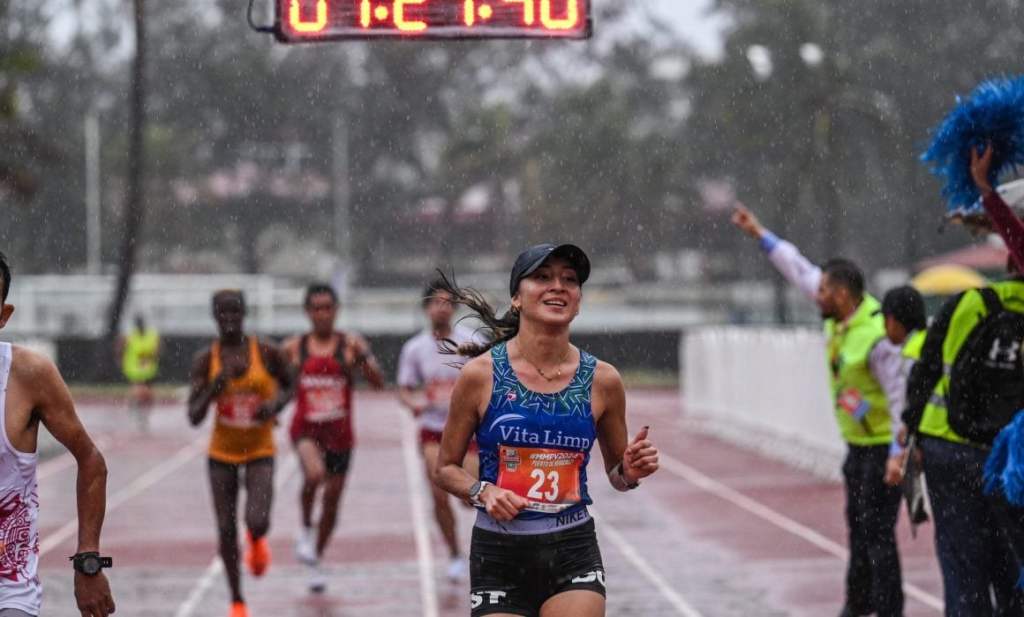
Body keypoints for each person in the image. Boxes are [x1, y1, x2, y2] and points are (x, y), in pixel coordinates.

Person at [433, 243, 659, 617]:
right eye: (542, 277)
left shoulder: (603, 380)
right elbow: (444, 468)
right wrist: (482, 491)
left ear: (579, 299)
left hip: (572, 549)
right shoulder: (481, 375)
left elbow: (618, 476)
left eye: (569, 280)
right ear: (517, 298)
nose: (558, 286)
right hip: (499, 554)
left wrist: (630, 472)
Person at [732, 208, 906, 617]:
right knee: (859, 531)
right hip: (856, 448)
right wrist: (760, 234)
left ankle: (888, 609)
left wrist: (898, 456)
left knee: (878, 537)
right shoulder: (838, 317)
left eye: (825, 292)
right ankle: (857, 604)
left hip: (882, 450)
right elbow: (799, 269)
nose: (817, 296)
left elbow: (900, 398)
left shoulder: (877, 335)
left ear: (842, 294)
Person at [902, 152, 1024, 617]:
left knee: (962, 570)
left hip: (952, 449)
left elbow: (925, 372)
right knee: (1012, 567)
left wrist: (986, 190)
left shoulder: (968, 302)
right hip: (1013, 460)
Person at [0, 251, 115, 617]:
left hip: (9, 591)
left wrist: (88, 562)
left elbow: (91, 460)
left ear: (3, 316)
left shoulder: (28, 376)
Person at [187, 290, 294, 617]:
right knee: (225, 529)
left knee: (256, 520)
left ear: (245, 314)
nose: (230, 319)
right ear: (214, 316)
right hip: (222, 454)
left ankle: (258, 539)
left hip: (260, 449)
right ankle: (237, 601)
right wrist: (212, 390)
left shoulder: (266, 351)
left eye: (235, 312)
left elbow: (291, 383)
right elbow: (193, 416)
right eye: (223, 313)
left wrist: (274, 405)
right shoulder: (206, 360)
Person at [283, 283, 384, 593]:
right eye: (316, 308)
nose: (322, 314)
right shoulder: (294, 348)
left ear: (336, 310)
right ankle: (304, 527)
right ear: (307, 312)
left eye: (328, 308)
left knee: (332, 503)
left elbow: (378, 383)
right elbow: (279, 384)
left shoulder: (348, 346)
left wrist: (365, 354)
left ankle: (316, 555)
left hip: (340, 435)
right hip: (306, 430)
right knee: (313, 475)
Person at [397, 277, 484, 581]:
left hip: (470, 430)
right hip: (434, 431)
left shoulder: (471, 341)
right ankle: (454, 554)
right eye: (436, 302)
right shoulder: (415, 348)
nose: (442, 309)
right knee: (438, 493)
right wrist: (416, 403)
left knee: (471, 494)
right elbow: (405, 389)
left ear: (456, 308)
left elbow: (490, 377)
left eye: (448, 303)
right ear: (426, 308)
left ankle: (485, 549)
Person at [874, 285, 928, 488]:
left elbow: (901, 406)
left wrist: (896, 456)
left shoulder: (910, 355)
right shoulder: (931, 342)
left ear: (892, 320)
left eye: (884, 321)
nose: (884, 328)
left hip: (931, 444)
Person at [116, 314, 160, 432]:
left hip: (148, 370)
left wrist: (152, 355)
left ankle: (140, 409)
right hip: (134, 369)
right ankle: (135, 407)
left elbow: (157, 350)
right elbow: (120, 347)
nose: (140, 327)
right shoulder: (130, 336)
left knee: (148, 395)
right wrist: (120, 360)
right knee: (139, 390)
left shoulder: (151, 335)